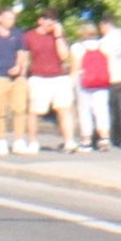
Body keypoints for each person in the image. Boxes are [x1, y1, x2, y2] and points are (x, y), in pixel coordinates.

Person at [21, 10, 77, 152]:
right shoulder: (29, 36)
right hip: (39, 77)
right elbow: (25, 57)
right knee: (34, 111)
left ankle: (69, 141)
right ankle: (33, 142)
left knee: (64, 109)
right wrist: (23, 75)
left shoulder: (58, 36)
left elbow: (64, 56)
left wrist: (58, 36)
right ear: (40, 20)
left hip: (59, 77)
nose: (50, 23)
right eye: (47, 19)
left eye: (53, 20)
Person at [0, 8, 28, 154]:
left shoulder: (17, 33)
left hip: (17, 76)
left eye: (12, 18)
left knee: (20, 109)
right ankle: (1, 140)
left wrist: (18, 66)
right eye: (8, 18)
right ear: (0, 18)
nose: (11, 21)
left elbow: (22, 52)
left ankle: (18, 140)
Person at [70, 20, 114, 149]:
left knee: (85, 111)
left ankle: (86, 141)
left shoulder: (77, 47)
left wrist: (71, 84)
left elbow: (75, 67)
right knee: (102, 110)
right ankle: (104, 140)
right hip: (101, 81)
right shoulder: (104, 45)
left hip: (84, 81)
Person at [98, 15, 121, 146]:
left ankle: (112, 136)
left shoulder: (104, 41)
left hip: (111, 78)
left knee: (111, 109)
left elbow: (102, 59)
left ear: (106, 25)